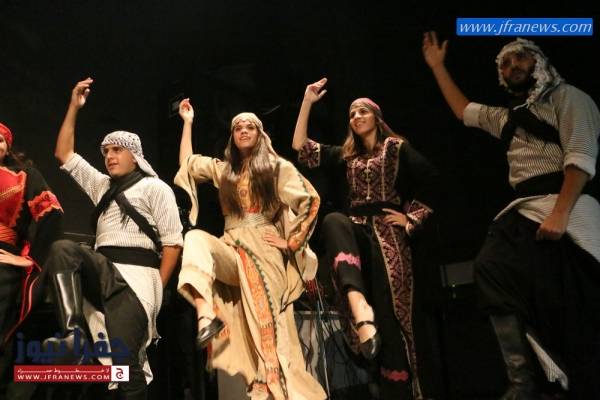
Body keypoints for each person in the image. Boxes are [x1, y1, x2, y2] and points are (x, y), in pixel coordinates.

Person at [423, 31, 600, 398]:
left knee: (576, 301)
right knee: (491, 267)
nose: (512, 65)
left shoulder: (568, 98)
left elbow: (580, 157)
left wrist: (560, 214)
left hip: (567, 205)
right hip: (524, 210)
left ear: (539, 62)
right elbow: (464, 111)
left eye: (520, 57)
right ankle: (522, 381)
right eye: (505, 63)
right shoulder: (508, 118)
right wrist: (438, 67)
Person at [292, 78, 439, 400]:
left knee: (390, 315)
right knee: (333, 220)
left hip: (387, 237)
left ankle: (401, 390)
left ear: (376, 117)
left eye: (362, 111)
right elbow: (301, 147)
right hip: (355, 231)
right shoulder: (346, 155)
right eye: (351, 113)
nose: (356, 117)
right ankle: (357, 303)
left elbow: (430, 179)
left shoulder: (396, 148)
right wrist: (307, 102)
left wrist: (410, 217)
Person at [174, 98, 326, 399]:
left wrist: (291, 241)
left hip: (264, 251)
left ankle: (276, 393)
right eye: (238, 128)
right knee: (195, 239)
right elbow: (187, 165)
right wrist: (187, 123)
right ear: (232, 136)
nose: (243, 131)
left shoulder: (275, 168)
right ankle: (205, 314)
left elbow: (310, 200)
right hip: (232, 246)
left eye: (250, 127)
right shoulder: (225, 171)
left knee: (264, 330)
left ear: (260, 134)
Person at [44, 77, 183, 399]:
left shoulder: (155, 188)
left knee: (123, 364)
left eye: (117, 150)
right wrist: (74, 106)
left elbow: (173, 243)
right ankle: (72, 334)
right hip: (104, 269)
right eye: (105, 151)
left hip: (137, 281)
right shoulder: (102, 187)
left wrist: (156, 289)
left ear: (135, 156)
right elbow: (64, 154)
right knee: (63, 249)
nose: (109, 156)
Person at [0, 122, 63, 395]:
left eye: (0, 140)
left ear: (7, 147)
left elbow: (52, 212)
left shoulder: (24, 175)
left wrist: (31, 259)